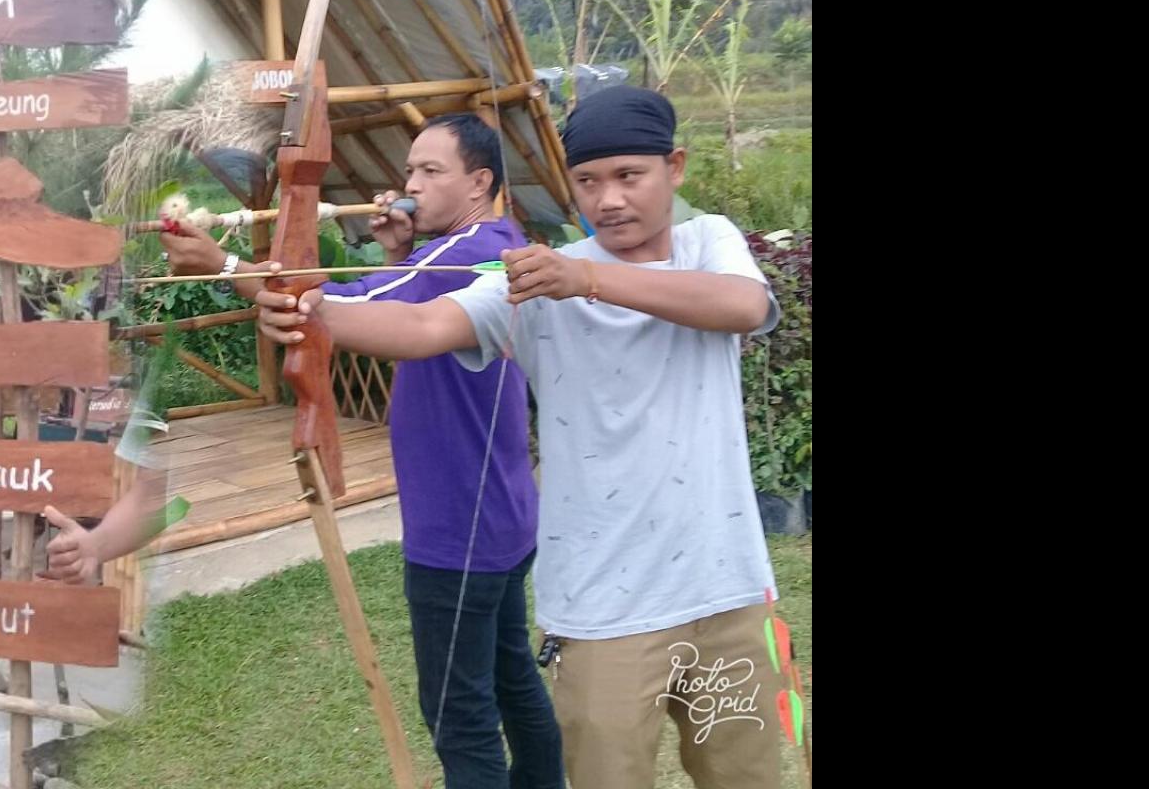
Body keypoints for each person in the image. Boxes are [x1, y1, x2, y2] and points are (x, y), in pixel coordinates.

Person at [257, 87, 784, 789]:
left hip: (728, 593)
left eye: (629, 176)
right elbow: (422, 325)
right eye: (588, 181)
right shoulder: (535, 279)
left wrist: (586, 277)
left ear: (674, 167)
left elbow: (743, 305)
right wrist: (308, 310)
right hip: (604, 613)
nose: (608, 199)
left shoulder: (705, 241)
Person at [159, 114, 563, 788]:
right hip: (502, 514)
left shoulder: (467, 252)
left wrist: (223, 264)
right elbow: (397, 301)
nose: (410, 185)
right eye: (409, 170)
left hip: (458, 527)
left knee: (458, 714)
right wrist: (400, 254)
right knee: (509, 675)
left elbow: (330, 303)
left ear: (479, 182)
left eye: (430, 171)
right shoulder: (494, 244)